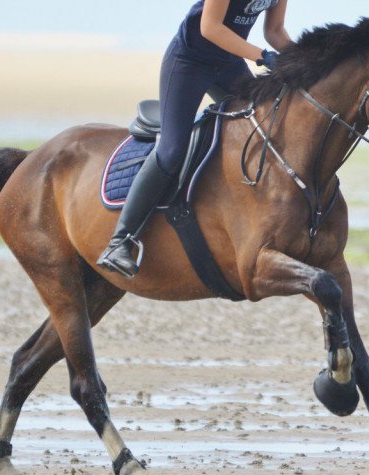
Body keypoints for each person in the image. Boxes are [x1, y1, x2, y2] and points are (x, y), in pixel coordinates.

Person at [97, 0, 292, 278]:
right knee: (172, 150)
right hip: (188, 63)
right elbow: (210, 28)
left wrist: (300, 57)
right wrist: (262, 56)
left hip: (228, 64)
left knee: (260, 133)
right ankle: (120, 241)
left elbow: (275, 30)